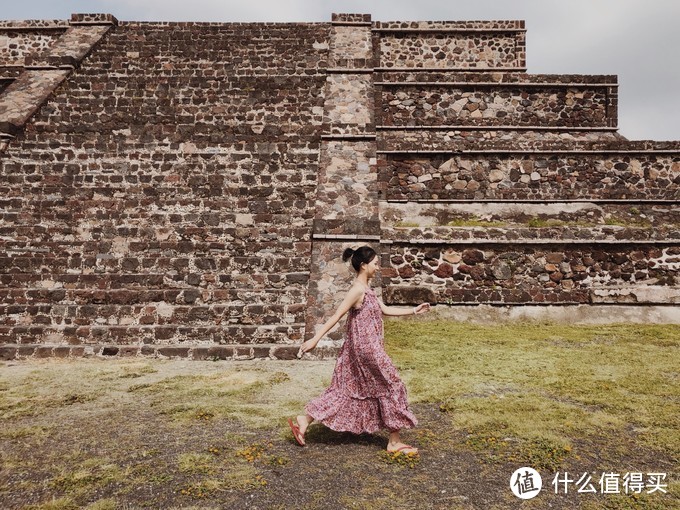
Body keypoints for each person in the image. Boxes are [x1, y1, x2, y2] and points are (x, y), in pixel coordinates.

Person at [288, 246, 431, 455]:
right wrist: (315, 339)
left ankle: (305, 419)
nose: (377, 267)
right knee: (391, 386)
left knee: (349, 390)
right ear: (363, 265)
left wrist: (413, 310)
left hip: (367, 348)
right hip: (367, 350)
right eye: (374, 263)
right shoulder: (357, 290)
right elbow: (337, 315)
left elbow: (385, 310)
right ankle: (394, 442)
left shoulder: (368, 290)